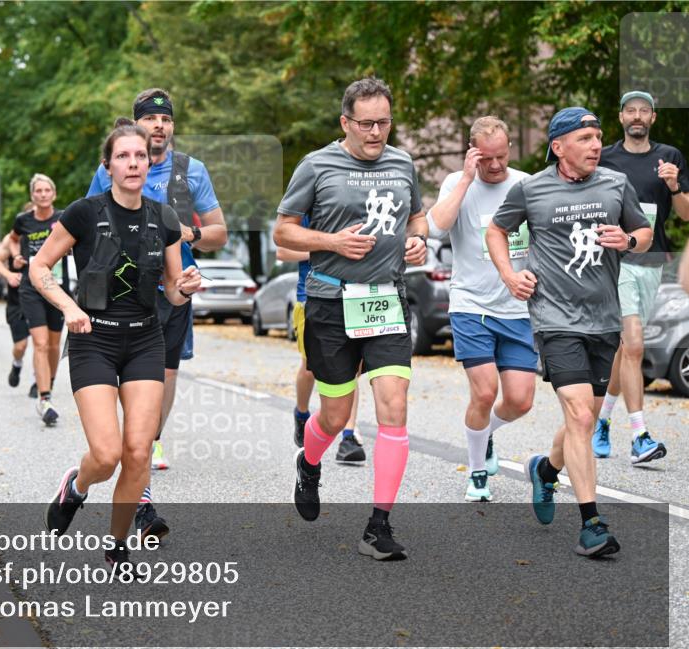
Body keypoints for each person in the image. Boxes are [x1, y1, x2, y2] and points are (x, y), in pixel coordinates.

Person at [273, 77, 428, 561]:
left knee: (393, 404)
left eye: (384, 122)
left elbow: (416, 218)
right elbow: (284, 231)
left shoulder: (403, 163)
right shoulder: (317, 165)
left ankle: (378, 525)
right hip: (331, 304)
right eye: (366, 124)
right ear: (346, 122)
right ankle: (309, 459)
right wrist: (333, 242)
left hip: (387, 301)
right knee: (337, 414)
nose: (376, 132)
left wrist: (418, 240)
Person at [488, 106, 652, 558]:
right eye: (585, 138)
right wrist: (509, 275)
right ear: (559, 147)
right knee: (580, 416)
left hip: (604, 319)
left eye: (598, 137)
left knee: (584, 417)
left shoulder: (616, 184)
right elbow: (497, 231)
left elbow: (643, 230)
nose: (596, 145)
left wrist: (631, 241)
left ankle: (546, 469)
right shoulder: (531, 189)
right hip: (555, 319)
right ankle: (591, 524)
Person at [37, 121, 200, 570]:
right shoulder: (84, 213)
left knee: (138, 451)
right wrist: (68, 307)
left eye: (140, 156)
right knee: (107, 455)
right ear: (108, 165)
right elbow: (39, 267)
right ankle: (76, 486)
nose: (133, 163)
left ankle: (116, 542)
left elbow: (170, 290)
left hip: (145, 339)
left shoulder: (163, 216)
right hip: (94, 339)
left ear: (150, 163)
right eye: (123, 156)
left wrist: (186, 287)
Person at [87, 88, 227, 536]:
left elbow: (219, 233)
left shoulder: (191, 172)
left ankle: (144, 453)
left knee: (161, 384)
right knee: (126, 395)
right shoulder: (109, 170)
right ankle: (140, 489)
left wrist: (186, 232)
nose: (159, 127)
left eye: (166, 120)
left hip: (172, 294)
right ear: (135, 127)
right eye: (150, 120)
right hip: (119, 298)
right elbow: (86, 225)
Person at [427, 116, 537, 502]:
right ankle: (477, 472)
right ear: (472, 153)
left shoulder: (526, 184)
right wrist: (464, 181)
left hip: (518, 309)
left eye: (501, 157)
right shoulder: (457, 184)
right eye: (486, 158)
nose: (495, 165)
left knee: (521, 400)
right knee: (485, 391)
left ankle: (483, 433)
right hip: (471, 304)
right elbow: (436, 228)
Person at [594, 91, 689, 463]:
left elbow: (684, 215)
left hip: (653, 261)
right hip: (616, 260)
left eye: (643, 111)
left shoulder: (670, 158)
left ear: (653, 118)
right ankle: (639, 435)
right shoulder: (605, 158)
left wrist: (675, 186)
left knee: (626, 351)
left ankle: (602, 421)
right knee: (633, 345)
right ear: (620, 117)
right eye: (630, 110)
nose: (637, 116)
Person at [277, 219, 365, 464]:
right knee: (310, 367)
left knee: (351, 366)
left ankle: (348, 436)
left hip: (353, 295)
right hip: (312, 296)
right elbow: (282, 250)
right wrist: (330, 246)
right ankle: (302, 414)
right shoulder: (309, 204)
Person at [8, 176, 69, 425]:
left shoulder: (64, 218)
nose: (43, 194)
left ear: (53, 194)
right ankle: (44, 399)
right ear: (32, 195)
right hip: (31, 286)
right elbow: (13, 239)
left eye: (47, 190)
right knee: (41, 343)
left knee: (54, 345)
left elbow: (77, 240)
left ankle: (49, 386)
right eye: (38, 191)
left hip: (57, 286)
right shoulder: (23, 220)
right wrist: (16, 257)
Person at [0, 207, 32, 390]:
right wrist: (8, 275)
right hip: (17, 300)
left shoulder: (50, 235)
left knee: (43, 344)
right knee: (21, 346)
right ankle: (17, 364)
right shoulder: (12, 240)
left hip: (43, 297)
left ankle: (40, 383)